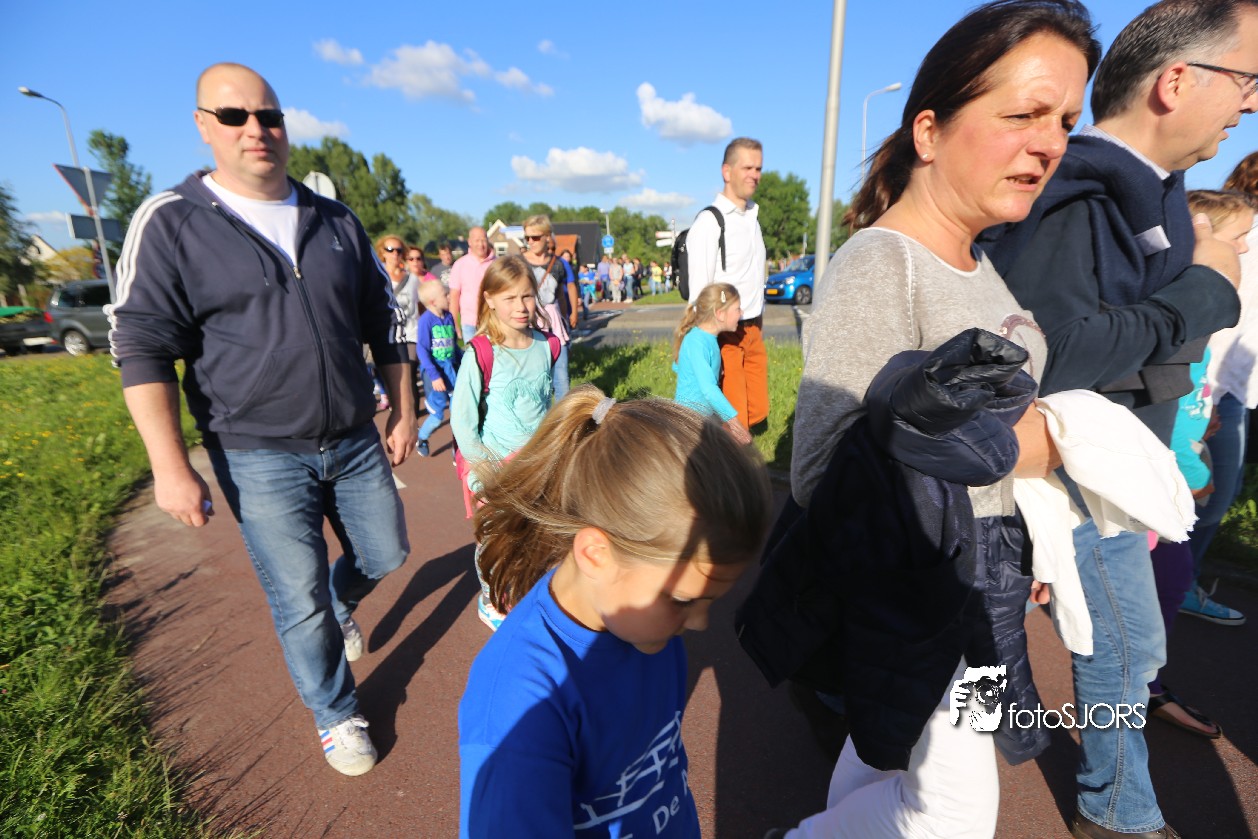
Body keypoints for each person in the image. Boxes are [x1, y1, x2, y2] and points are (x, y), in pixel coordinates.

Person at [778, 2, 1098, 836]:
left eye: (1066, 120)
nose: (1051, 144)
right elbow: (821, 469)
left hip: (987, 580)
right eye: (1024, 114)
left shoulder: (979, 261)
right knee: (953, 811)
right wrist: (1028, 448)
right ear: (929, 131)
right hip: (922, 592)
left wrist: (1018, 535)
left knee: (887, 753)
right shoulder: (883, 261)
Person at [980, 2, 1255, 835]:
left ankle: (1101, 793)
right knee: (1108, 644)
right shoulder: (1084, 189)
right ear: (1176, 81)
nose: (1250, 103)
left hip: (1110, 468)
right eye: (1246, 79)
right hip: (1078, 469)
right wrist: (1207, 288)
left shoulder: (1145, 191)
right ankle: (1116, 808)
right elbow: (1054, 352)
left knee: (1120, 644)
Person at [108, 62, 413, 777]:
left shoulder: (335, 220)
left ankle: (343, 603)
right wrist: (168, 466)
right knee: (297, 596)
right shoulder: (172, 221)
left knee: (386, 554)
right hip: (256, 450)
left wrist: (402, 409)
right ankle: (336, 713)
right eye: (234, 115)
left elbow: (386, 322)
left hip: (352, 435)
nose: (256, 129)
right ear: (202, 125)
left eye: (268, 115)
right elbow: (141, 345)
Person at [458, 386, 773, 839]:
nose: (700, 623)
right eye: (684, 600)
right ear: (596, 554)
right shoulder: (519, 703)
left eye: (709, 601)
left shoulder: (648, 629)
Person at [1145, 189, 1252, 741]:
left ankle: (1144, 685)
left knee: (1164, 587)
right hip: (1155, 495)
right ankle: (1138, 691)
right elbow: (1157, 422)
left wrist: (1202, 421)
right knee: (1155, 590)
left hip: (1166, 493)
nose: (1246, 250)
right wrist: (1195, 475)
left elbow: (1185, 407)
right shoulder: (1174, 329)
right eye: (1240, 238)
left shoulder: (1199, 332)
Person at [451, 255, 558, 630]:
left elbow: (551, 405)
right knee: (497, 540)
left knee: (533, 537)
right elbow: (462, 419)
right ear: (490, 299)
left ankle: (527, 596)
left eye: (527, 296)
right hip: (494, 465)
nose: (521, 306)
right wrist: (484, 468)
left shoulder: (547, 346)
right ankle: (492, 600)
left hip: (538, 465)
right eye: (509, 298)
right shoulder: (481, 351)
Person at [1187, 152, 1258, 626]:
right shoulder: (1243, 237)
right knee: (1208, 496)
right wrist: (1203, 393)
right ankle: (1172, 587)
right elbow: (1219, 316)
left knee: (1210, 495)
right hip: (1211, 387)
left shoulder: (1239, 231)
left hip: (1225, 386)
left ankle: (1171, 584)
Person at [686, 137, 769, 434]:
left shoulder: (753, 218)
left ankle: (734, 452)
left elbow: (754, 275)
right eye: (747, 167)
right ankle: (729, 459)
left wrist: (759, 320)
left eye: (758, 168)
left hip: (752, 327)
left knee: (757, 410)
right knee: (734, 419)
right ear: (726, 171)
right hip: (725, 333)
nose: (754, 175)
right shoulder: (710, 223)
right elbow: (699, 292)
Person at [672, 282, 752, 444]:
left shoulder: (705, 338)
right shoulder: (697, 341)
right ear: (720, 314)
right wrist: (735, 424)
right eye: (737, 309)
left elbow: (678, 367)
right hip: (689, 424)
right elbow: (708, 389)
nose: (742, 313)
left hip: (702, 419)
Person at [520, 216, 578, 399]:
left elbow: (564, 291)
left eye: (535, 237)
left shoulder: (559, 264)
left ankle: (562, 416)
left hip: (554, 325)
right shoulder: (518, 263)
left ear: (547, 237)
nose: (530, 241)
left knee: (561, 378)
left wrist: (570, 315)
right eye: (527, 238)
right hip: (528, 325)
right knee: (533, 379)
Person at [415, 279, 462, 458]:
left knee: (458, 412)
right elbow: (422, 350)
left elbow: (453, 346)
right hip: (435, 374)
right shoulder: (426, 321)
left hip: (451, 370)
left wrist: (464, 361)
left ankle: (458, 450)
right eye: (445, 294)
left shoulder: (449, 317)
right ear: (433, 301)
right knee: (437, 416)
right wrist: (434, 376)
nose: (449, 297)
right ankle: (422, 438)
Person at [379, 235, 420, 415]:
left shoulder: (413, 279)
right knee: (392, 378)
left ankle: (414, 417)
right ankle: (398, 413)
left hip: (411, 332)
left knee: (409, 374)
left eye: (398, 250)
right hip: (387, 334)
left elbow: (420, 305)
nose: (395, 253)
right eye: (390, 250)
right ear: (383, 253)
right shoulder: (377, 277)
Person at [450, 226, 496, 342]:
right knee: (472, 352)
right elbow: (454, 295)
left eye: (483, 240)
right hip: (469, 323)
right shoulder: (460, 264)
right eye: (477, 240)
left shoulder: (497, 264)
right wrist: (454, 323)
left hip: (492, 321)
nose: (481, 244)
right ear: (469, 242)